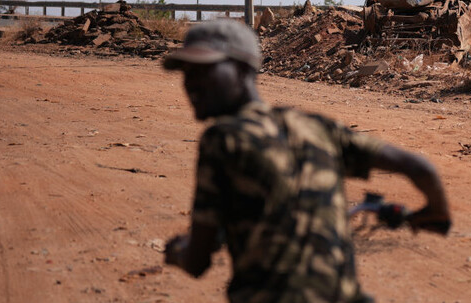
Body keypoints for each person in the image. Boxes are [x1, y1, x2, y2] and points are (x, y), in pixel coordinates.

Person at [162, 19, 451, 302]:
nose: (191, 84)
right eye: (187, 73)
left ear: (241, 69)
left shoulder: (223, 139)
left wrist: (176, 252)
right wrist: (436, 213)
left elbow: (197, 261)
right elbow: (419, 167)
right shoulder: (316, 127)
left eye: (204, 71)